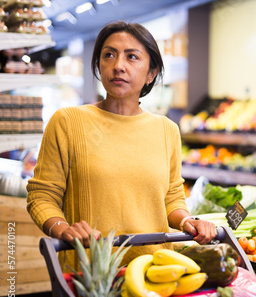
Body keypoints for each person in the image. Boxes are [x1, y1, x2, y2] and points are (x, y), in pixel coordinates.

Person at [26, 21, 217, 269]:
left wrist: (188, 221)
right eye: (109, 55)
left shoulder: (167, 129)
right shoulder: (67, 122)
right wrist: (63, 229)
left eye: (132, 57)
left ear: (151, 73)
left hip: (156, 270)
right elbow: (42, 196)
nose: (118, 66)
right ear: (99, 65)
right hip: (91, 273)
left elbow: (172, 198)